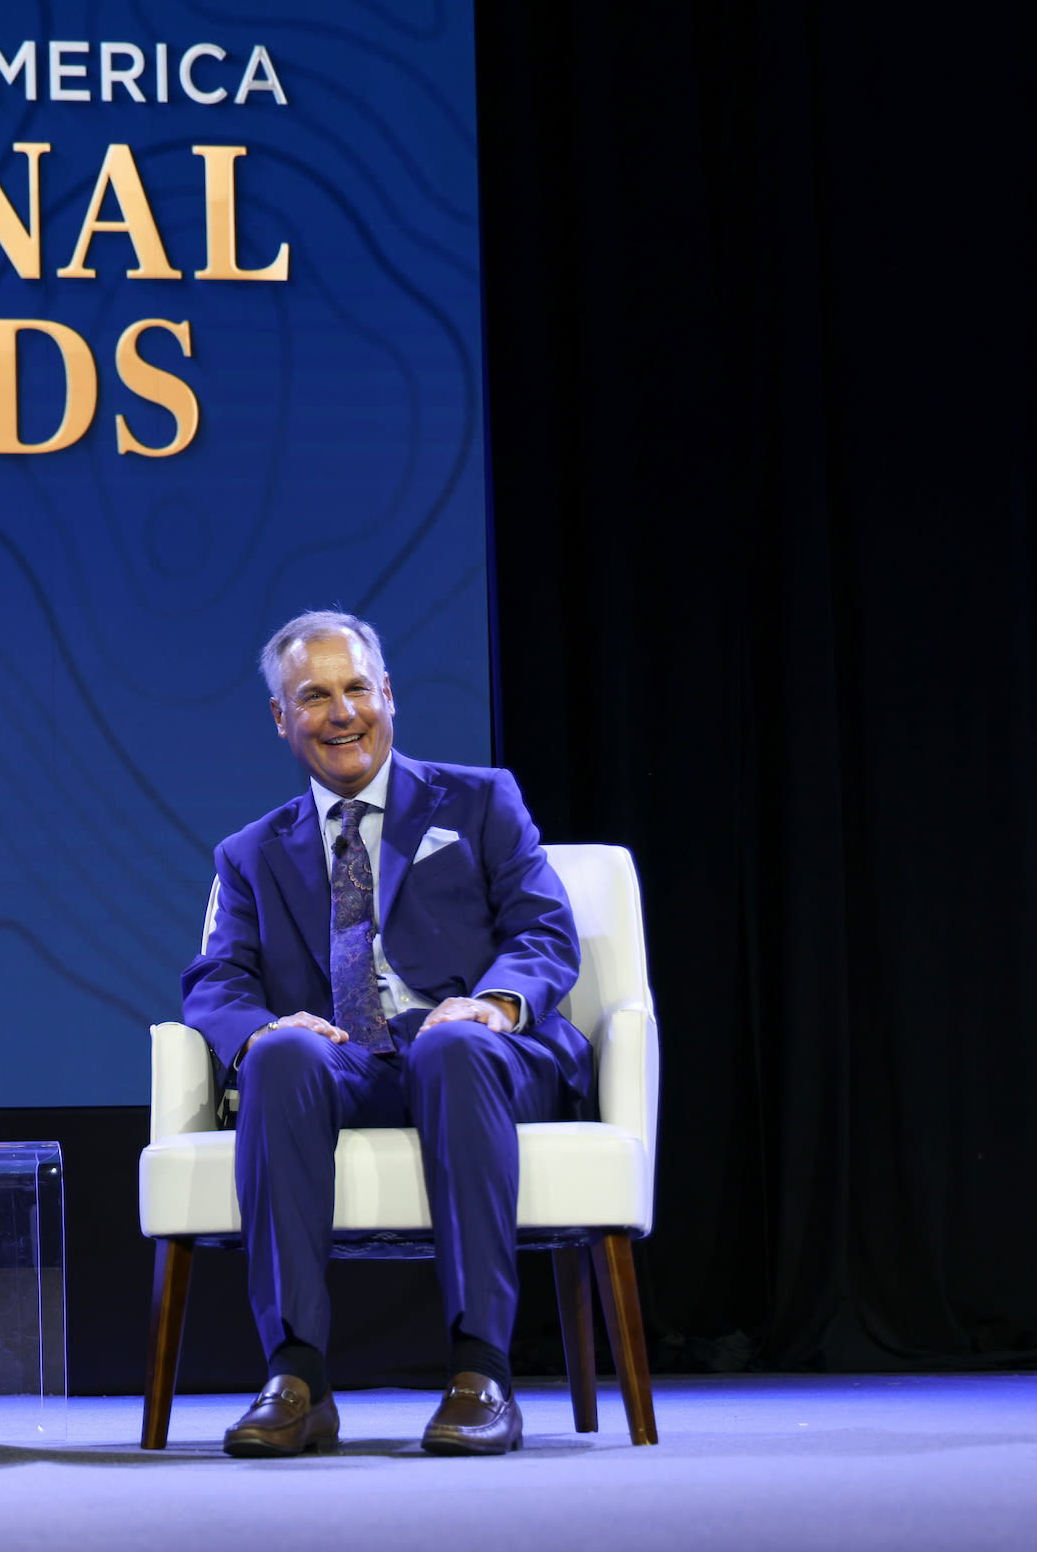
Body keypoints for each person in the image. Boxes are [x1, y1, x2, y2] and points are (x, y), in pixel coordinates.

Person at [181, 611, 591, 1458]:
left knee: (452, 1045)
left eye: (357, 688)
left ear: (388, 695)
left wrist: (496, 1003)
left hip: (478, 1053)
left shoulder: (479, 799)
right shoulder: (250, 853)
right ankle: (295, 1379)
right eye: (315, 696)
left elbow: (545, 933)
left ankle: (481, 1372)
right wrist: (259, 1029)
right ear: (281, 718)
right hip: (346, 1059)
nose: (342, 713)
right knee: (284, 1054)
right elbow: (216, 980)